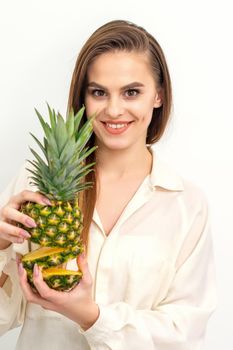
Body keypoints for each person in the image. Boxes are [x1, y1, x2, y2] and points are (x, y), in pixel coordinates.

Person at [0, 19, 217, 350]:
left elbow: (184, 333)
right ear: (83, 97)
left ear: (158, 95)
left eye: (132, 91)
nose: (114, 109)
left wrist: (92, 317)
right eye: (98, 92)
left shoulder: (186, 204)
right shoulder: (36, 183)